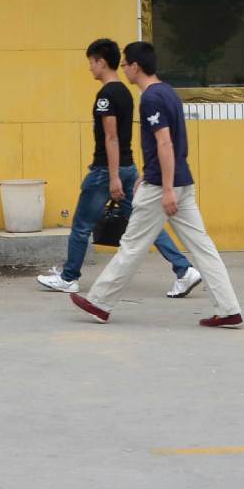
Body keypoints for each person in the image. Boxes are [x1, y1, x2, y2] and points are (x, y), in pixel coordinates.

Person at [70, 41, 243, 329]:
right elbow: (171, 143)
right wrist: (150, 174)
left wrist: (165, 188)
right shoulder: (169, 92)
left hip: (162, 186)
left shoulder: (150, 98)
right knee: (203, 248)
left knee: (132, 245)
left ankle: (99, 302)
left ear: (136, 66)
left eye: (125, 64)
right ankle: (228, 309)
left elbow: (164, 142)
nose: (124, 69)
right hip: (182, 181)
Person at [38, 38, 201, 299]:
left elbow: (111, 137)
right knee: (147, 223)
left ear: (101, 62)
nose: (90, 68)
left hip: (107, 171)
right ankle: (183, 269)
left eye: (91, 62)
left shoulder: (106, 96)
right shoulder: (125, 92)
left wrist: (112, 176)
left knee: (81, 225)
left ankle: (69, 278)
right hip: (128, 168)